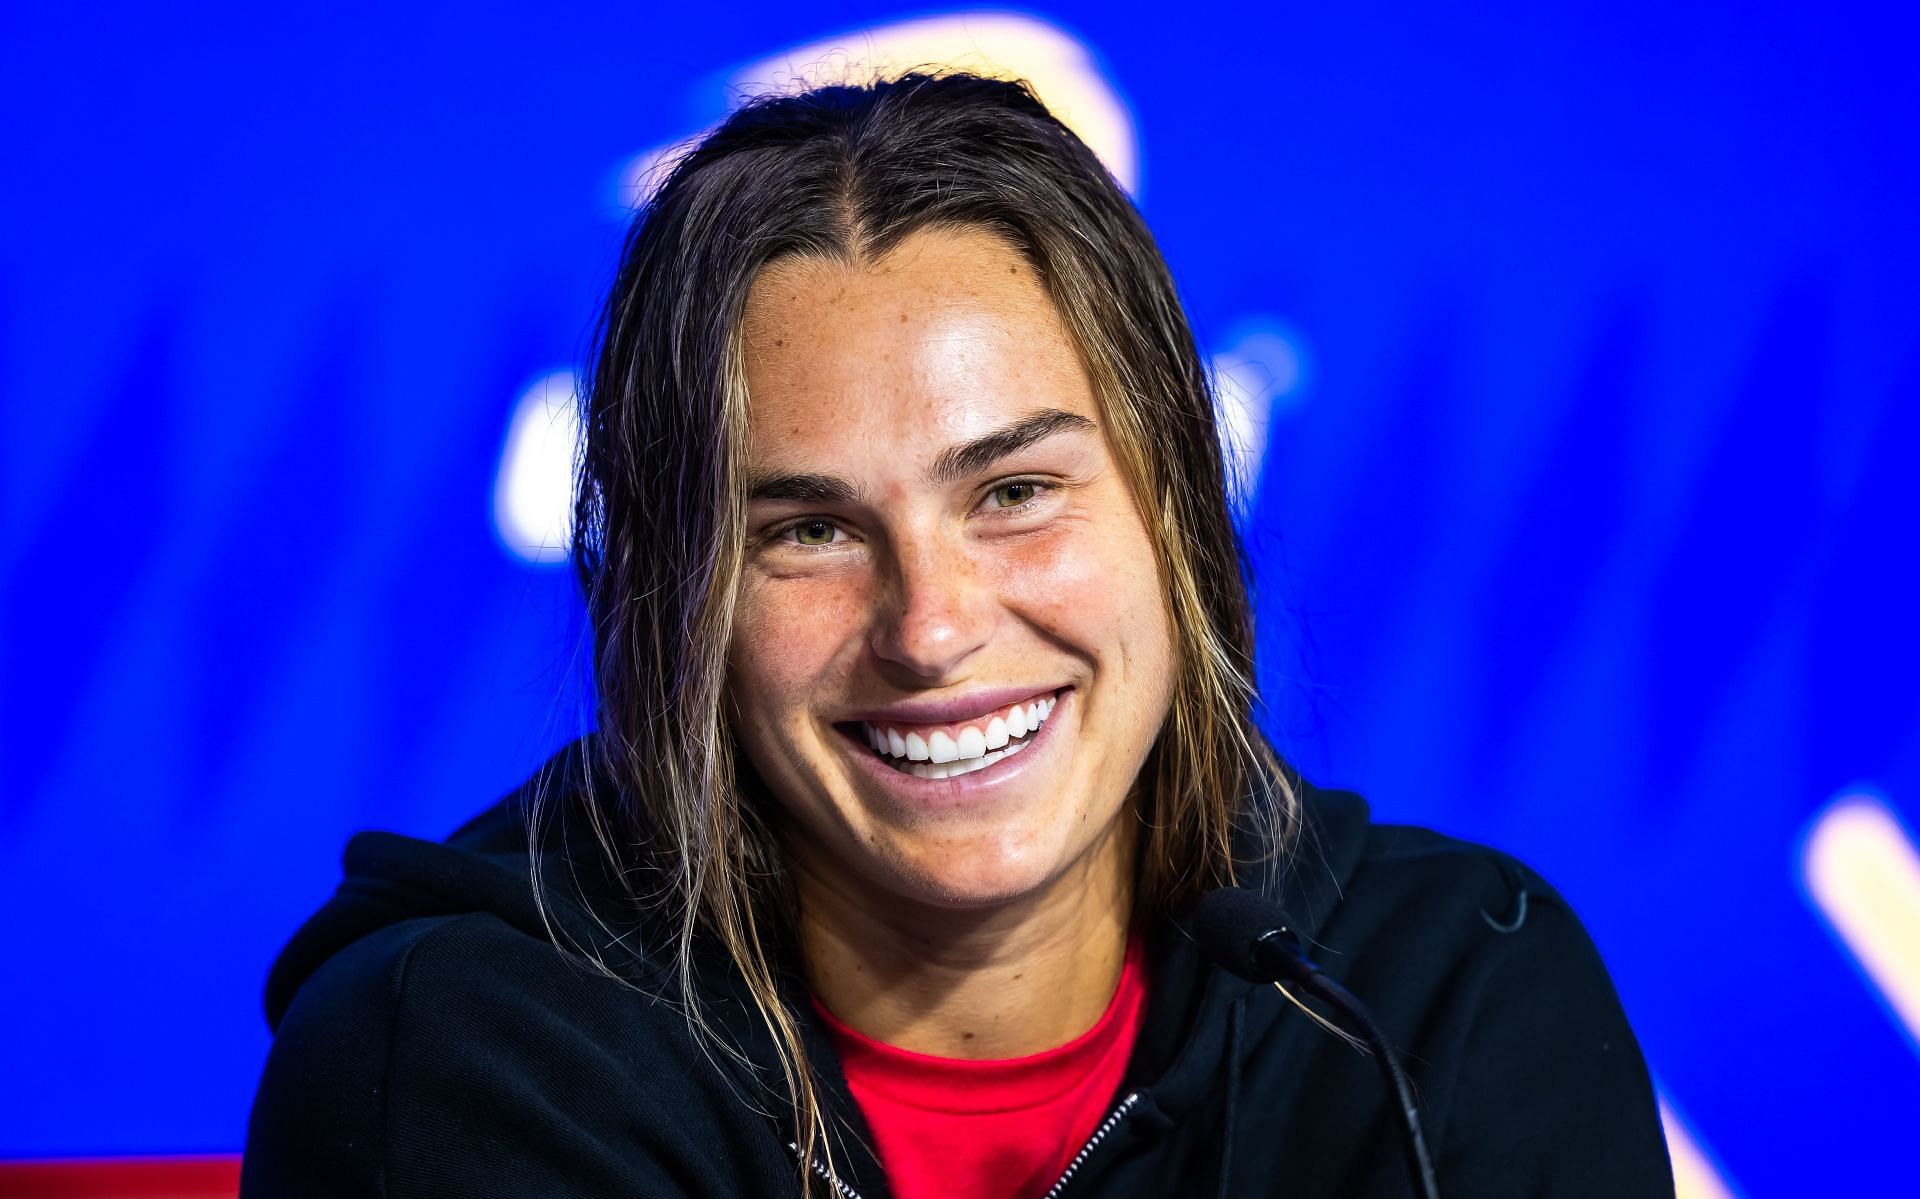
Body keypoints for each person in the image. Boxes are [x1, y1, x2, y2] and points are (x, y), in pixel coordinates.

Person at [240, 72, 1675, 1198]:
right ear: (667, 599)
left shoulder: (1447, 1008)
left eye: (1016, 492)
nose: (930, 628)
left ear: (1175, 508)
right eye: (803, 530)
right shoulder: (468, 1063)